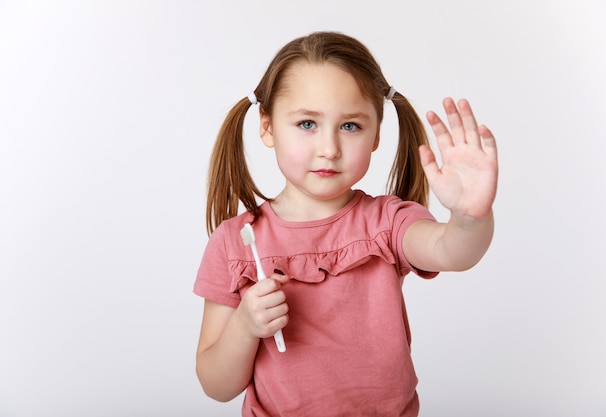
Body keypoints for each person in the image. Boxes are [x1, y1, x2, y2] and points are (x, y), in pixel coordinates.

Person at [193, 31, 498, 417]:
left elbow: (451, 250)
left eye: (350, 126)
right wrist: (245, 326)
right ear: (267, 127)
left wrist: (470, 217)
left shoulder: (387, 222)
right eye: (307, 124)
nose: (329, 148)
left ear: (376, 136)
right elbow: (216, 385)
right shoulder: (234, 243)